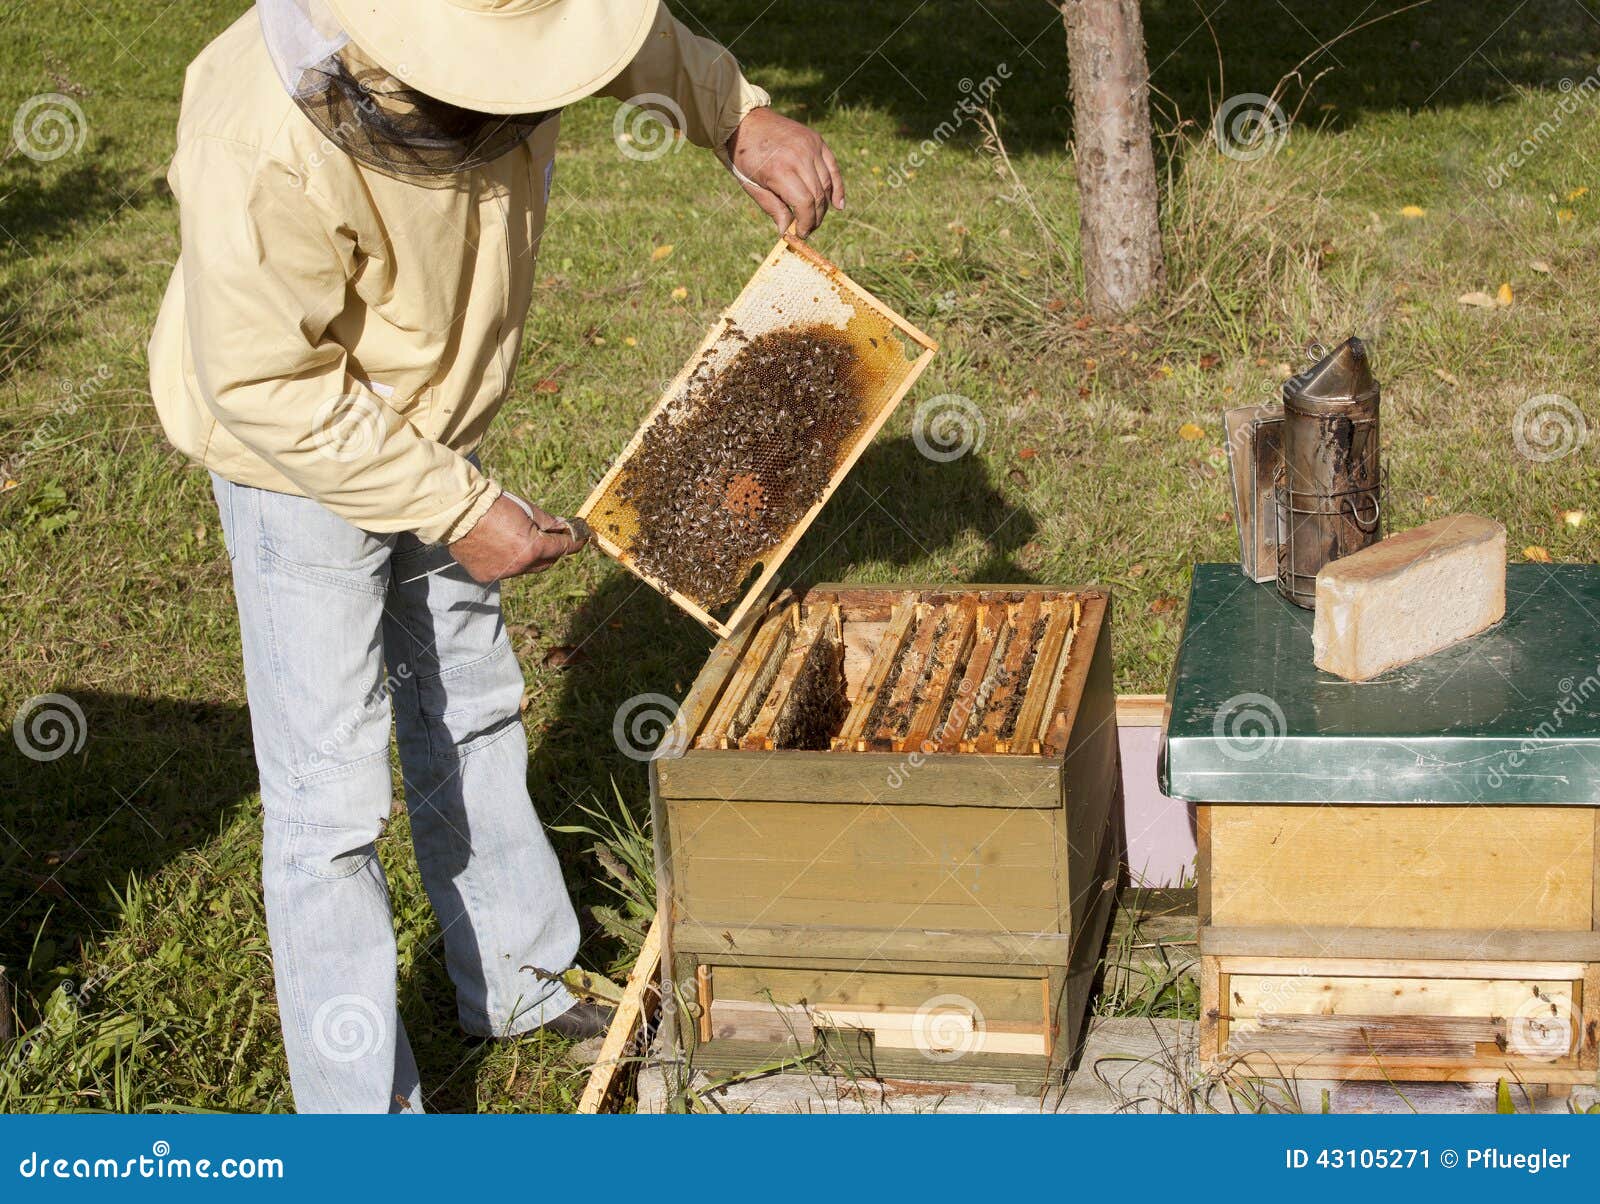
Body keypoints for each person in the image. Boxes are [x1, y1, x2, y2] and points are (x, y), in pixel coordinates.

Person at [147, 0, 843, 1113]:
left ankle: (517, 977)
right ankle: (359, 1115)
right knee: (328, 803)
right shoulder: (257, 129)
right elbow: (268, 385)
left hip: (436, 426)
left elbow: (630, 43)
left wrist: (736, 119)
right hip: (296, 461)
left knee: (469, 700)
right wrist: (457, 505)